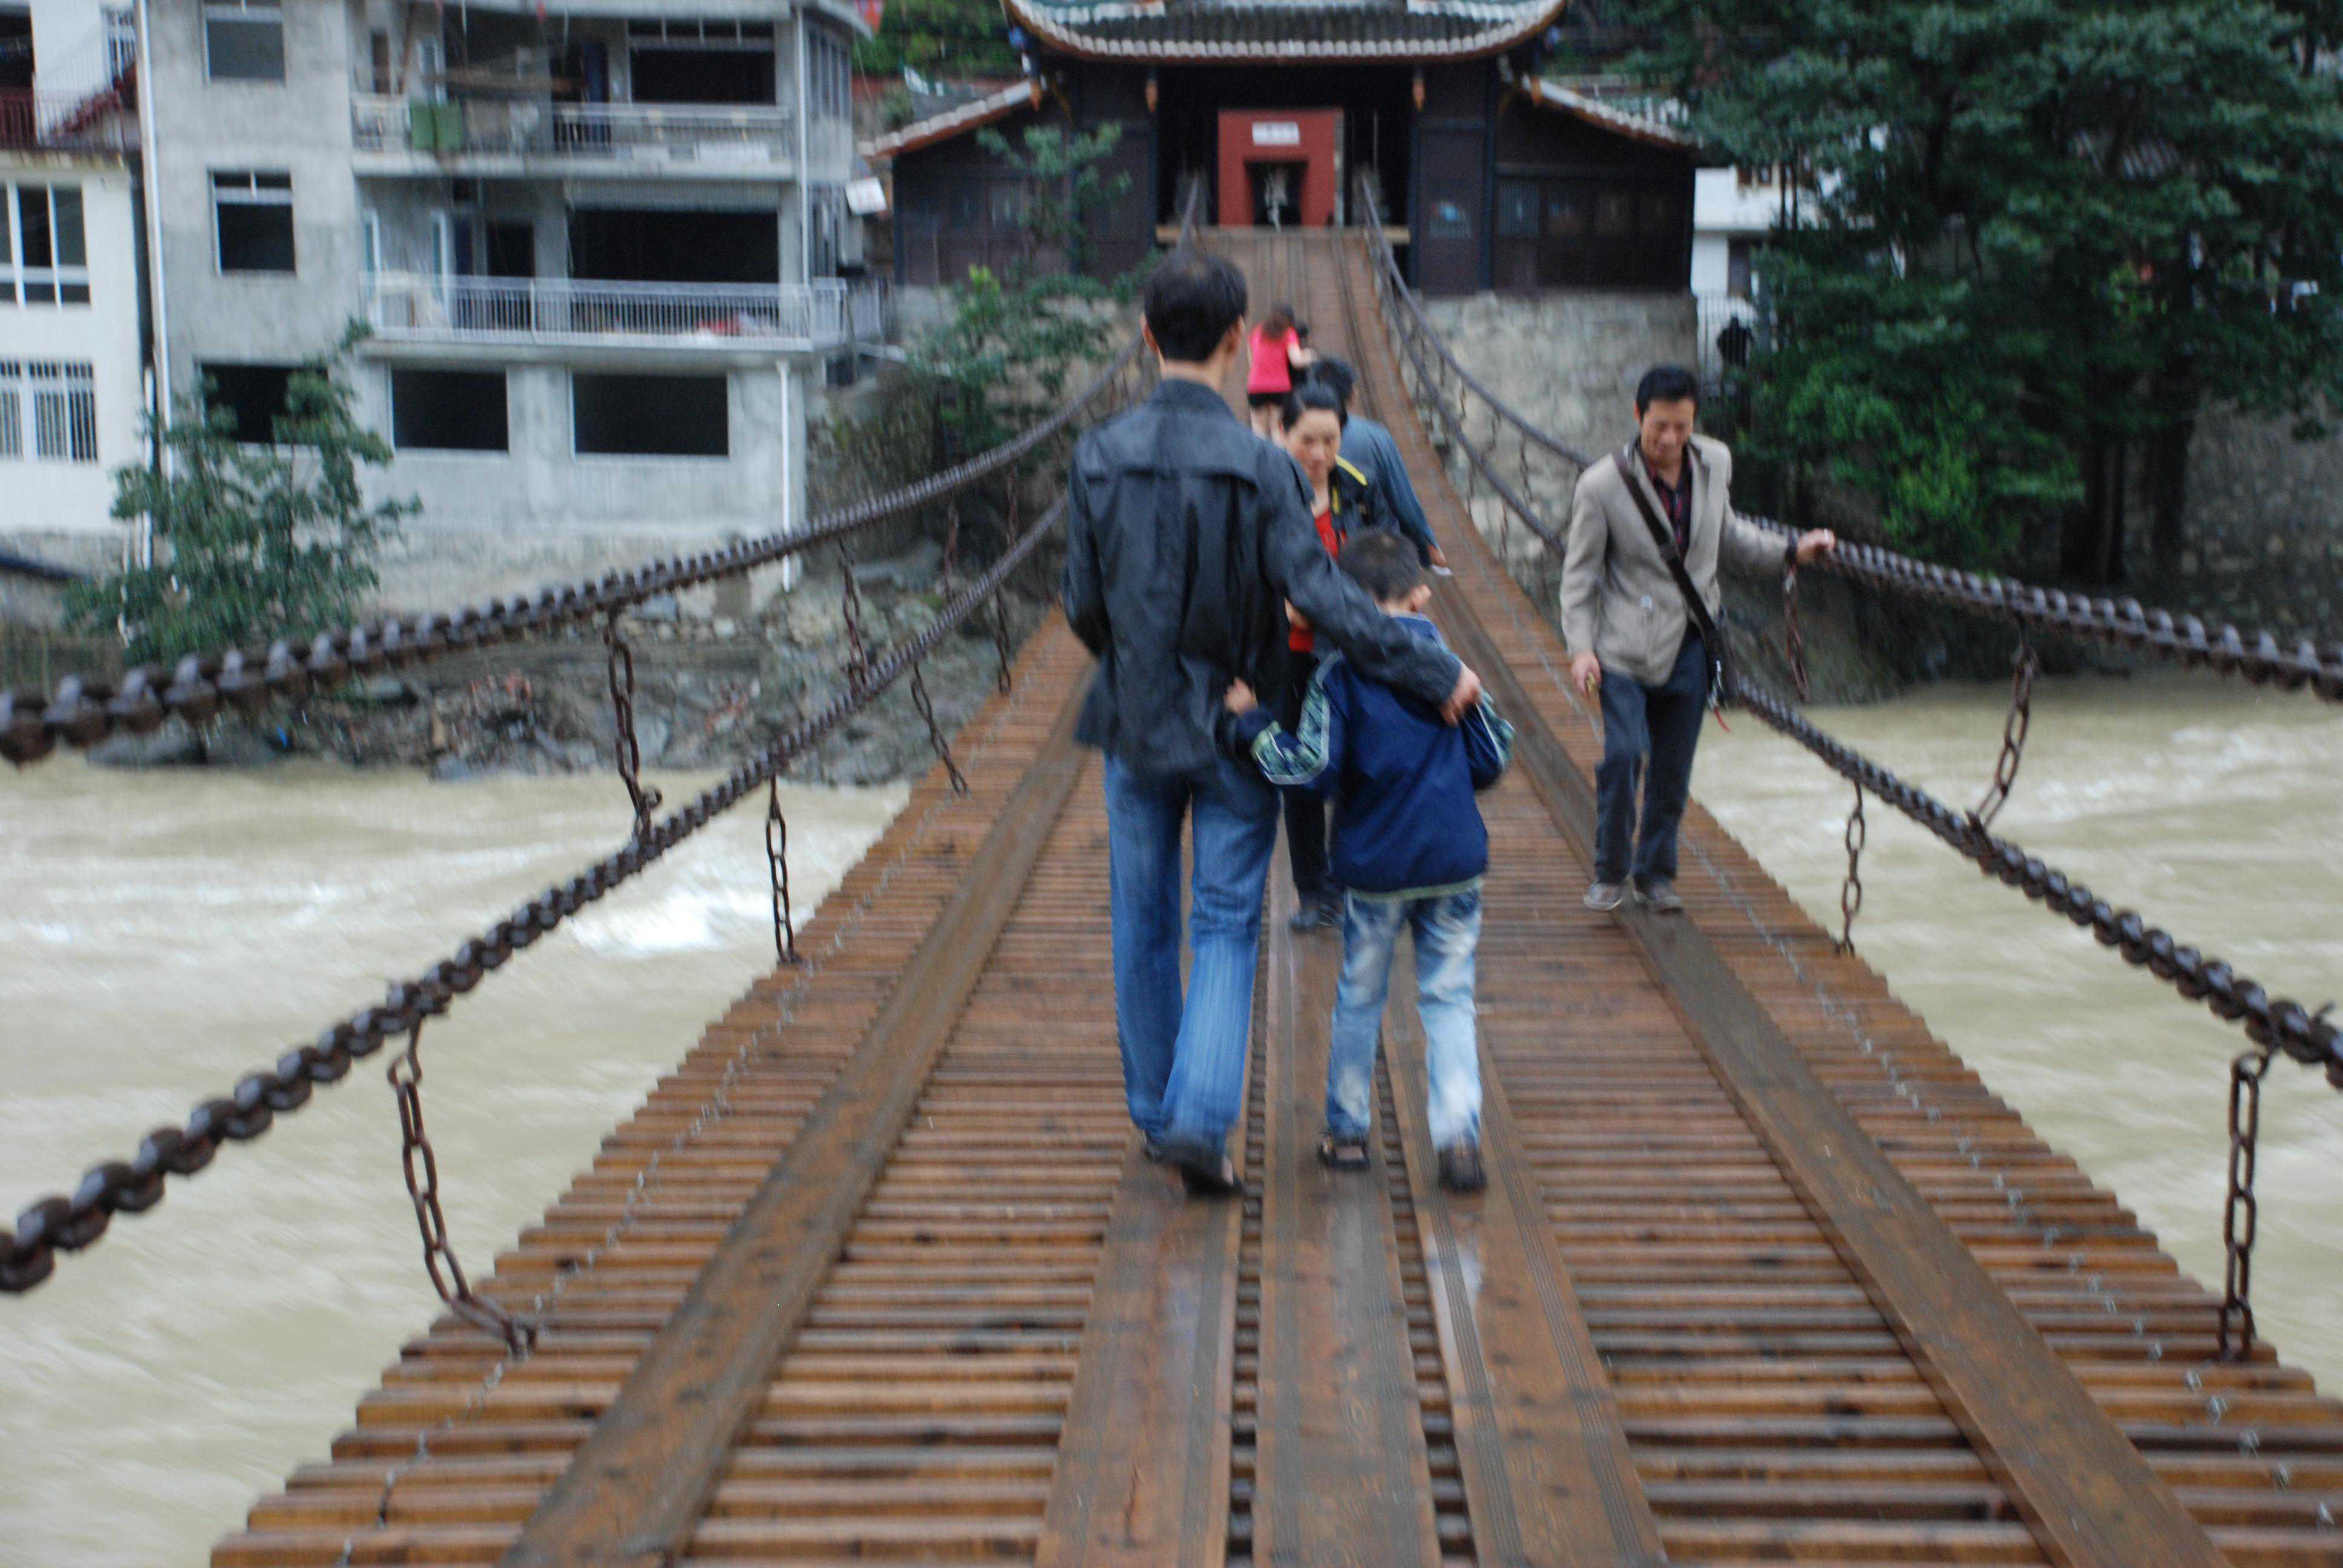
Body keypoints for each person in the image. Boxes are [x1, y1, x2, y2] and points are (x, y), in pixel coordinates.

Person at [1063, 249, 1483, 1197]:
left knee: (1141, 917)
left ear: (1145, 336)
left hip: (1136, 719)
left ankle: (1157, 1112)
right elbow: (1325, 598)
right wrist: (1432, 664)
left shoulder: (1098, 456)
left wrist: (1139, 662)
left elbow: (1083, 603)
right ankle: (1200, 1117)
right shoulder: (1265, 468)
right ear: (1232, 341)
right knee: (1223, 920)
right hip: (1239, 717)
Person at [1222, 531, 1513, 1193]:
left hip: (1377, 868)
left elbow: (1310, 771)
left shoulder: (1339, 676)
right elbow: (1494, 754)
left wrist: (1253, 724)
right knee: (1449, 1000)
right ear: (1420, 597)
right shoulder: (1452, 667)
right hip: (1455, 863)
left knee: (1359, 998)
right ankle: (1459, 1141)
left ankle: (1348, 1133)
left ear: (1343, 606)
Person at [1559, 364, 1835, 914]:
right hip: (1623, 647)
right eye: (1659, 426)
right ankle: (1611, 870)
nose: (1669, 439)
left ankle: (1655, 875)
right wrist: (1581, 649)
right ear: (1638, 416)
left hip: (1692, 640)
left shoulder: (1716, 463)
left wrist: (1791, 551)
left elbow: (1728, 534)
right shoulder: (1601, 486)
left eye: (1681, 428)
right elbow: (1580, 576)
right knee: (1624, 755)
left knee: (1673, 769)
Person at [1274, 381, 1384, 933]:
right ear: (1283, 434)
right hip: (1291, 654)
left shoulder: (1359, 491)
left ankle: (1344, 882)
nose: (1319, 454)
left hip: (1348, 649)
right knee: (1301, 773)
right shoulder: (1267, 494)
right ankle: (1311, 890)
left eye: (1330, 440)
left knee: (1354, 767)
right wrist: (1279, 605)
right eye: (1306, 440)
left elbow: (1384, 559)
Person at [1306, 357, 1446, 570]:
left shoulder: (1295, 440)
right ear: (1352, 395)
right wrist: (1427, 546)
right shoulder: (1376, 437)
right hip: (1368, 556)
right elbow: (1403, 502)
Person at [1246, 304, 1311, 437]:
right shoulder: (1288, 332)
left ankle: (1259, 452)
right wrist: (1310, 356)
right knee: (1277, 427)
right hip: (1280, 387)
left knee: (1258, 426)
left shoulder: (1257, 331)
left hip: (1256, 386)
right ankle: (1277, 452)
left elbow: (1252, 361)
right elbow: (1297, 361)